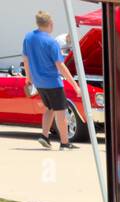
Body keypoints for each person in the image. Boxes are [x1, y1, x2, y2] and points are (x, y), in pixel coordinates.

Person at [21, 11, 79, 150]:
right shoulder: (51, 42)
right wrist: (75, 85)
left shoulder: (28, 37)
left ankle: (44, 136)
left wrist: (28, 79)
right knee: (60, 112)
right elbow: (60, 66)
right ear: (50, 24)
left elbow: (25, 60)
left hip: (39, 82)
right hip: (53, 82)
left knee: (49, 108)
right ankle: (65, 143)